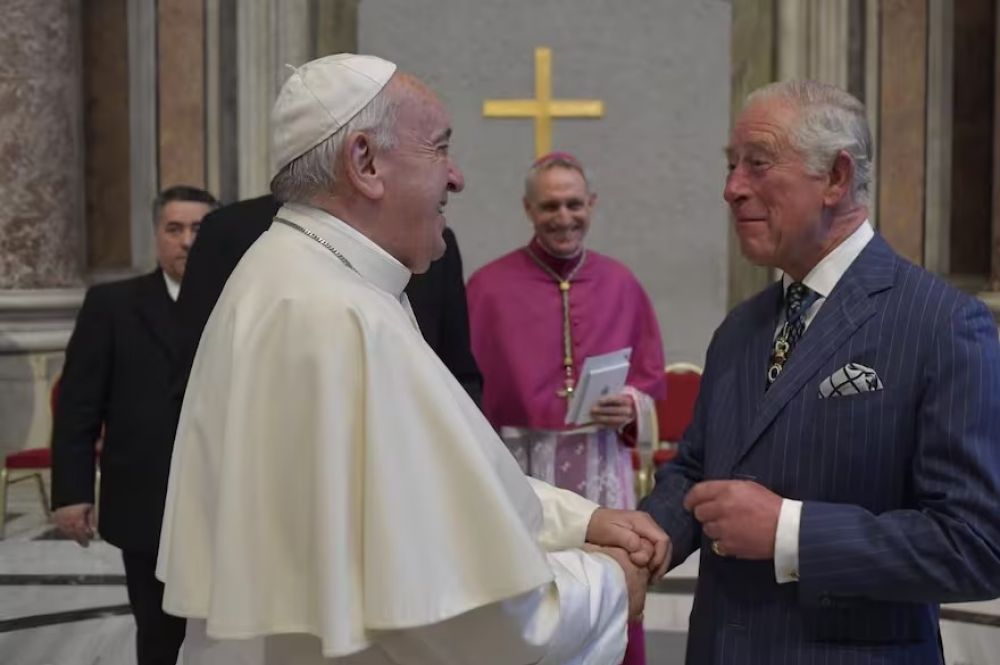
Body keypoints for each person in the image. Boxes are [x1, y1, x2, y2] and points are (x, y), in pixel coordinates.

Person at [156, 54, 669, 665]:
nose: (456, 177)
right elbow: (481, 624)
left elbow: (427, 487)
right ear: (365, 163)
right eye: (439, 148)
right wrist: (609, 581)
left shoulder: (295, 275)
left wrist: (577, 523)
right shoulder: (342, 316)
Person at [641, 79, 1000, 664]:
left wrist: (791, 533)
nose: (732, 189)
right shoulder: (741, 328)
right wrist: (640, 543)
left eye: (757, 164)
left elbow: (976, 546)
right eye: (732, 166)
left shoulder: (941, 323)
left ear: (835, 177)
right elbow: (696, 471)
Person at [467, 151, 666, 665]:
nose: (564, 217)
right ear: (529, 209)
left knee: (611, 594)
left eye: (574, 204)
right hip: (523, 465)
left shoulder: (622, 283)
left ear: (591, 205)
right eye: (550, 205)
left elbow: (649, 382)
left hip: (600, 465)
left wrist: (629, 408)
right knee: (530, 601)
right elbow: (466, 394)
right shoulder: (487, 288)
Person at [51, 185, 219, 665]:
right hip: (146, 499)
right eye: (174, 229)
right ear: (156, 235)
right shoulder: (111, 305)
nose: (187, 241)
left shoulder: (237, 303)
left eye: (199, 229)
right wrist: (71, 491)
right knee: (158, 633)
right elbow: (80, 405)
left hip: (220, 498)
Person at [174, 194, 482, 407]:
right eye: (435, 149)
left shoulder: (431, 243)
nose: (454, 176)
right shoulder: (229, 233)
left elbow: (459, 377)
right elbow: (198, 383)